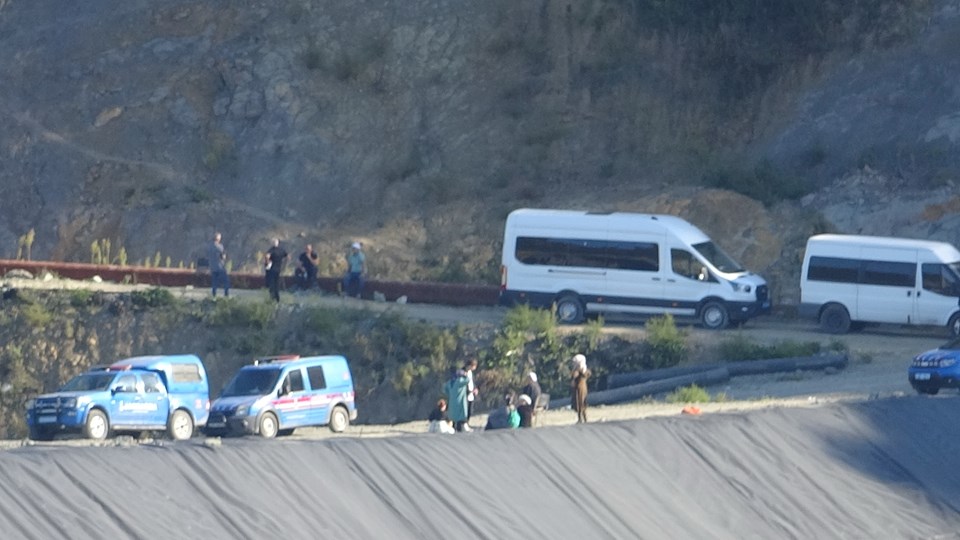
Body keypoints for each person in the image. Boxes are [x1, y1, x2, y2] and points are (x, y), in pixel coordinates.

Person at [264, 238, 288, 303]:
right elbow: (287, 256)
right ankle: (277, 299)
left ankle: (272, 298)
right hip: (278, 269)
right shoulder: (282, 250)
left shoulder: (271, 250)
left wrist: (267, 263)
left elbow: (267, 256)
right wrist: (284, 265)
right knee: (276, 284)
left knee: (272, 284)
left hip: (272, 269)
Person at [207, 232, 230, 297]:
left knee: (214, 283)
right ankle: (226, 295)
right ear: (218, 239)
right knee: (226, 282)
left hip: (212, 267)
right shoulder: (220, 246)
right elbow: (222, 256)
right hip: (220, 267)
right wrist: (225, 257)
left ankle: (214, 296)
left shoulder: (209, 246)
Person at [570, 353, 590, 424]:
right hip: (578, 389)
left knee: (582, 403)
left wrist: (579, 370)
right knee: (578, 403)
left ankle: (583, 418)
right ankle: (581, 418)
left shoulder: (583, 369)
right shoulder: (577, 370)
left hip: (581, 389)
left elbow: (586, 374)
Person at [464, 358, 479, 425]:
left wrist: (475, 388)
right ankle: (463, 424)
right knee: (465, 411)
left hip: (471, 395)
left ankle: (467, 423)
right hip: (465, 395)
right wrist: (469, 391)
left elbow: (472, 382)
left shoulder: (471, 372)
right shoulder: (463, 372)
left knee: (470, 411)